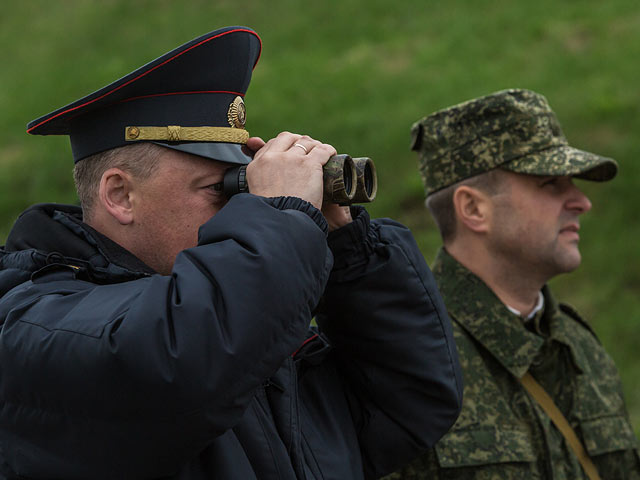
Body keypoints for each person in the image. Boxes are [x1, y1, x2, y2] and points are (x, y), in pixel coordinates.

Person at [0, 26, 462, 479]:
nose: (241, 208)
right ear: (120, 195)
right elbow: (178, 360)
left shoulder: (242, 322)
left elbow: (411, 405)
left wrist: (345, 249)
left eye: (243, 183)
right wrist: (283, 220)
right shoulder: (37, 319)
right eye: (218, 189)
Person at [386, 89, 640, 479]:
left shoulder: (580, 348)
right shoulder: (407, 359)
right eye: (551, 183)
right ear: (473, 209)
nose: (581, 202)